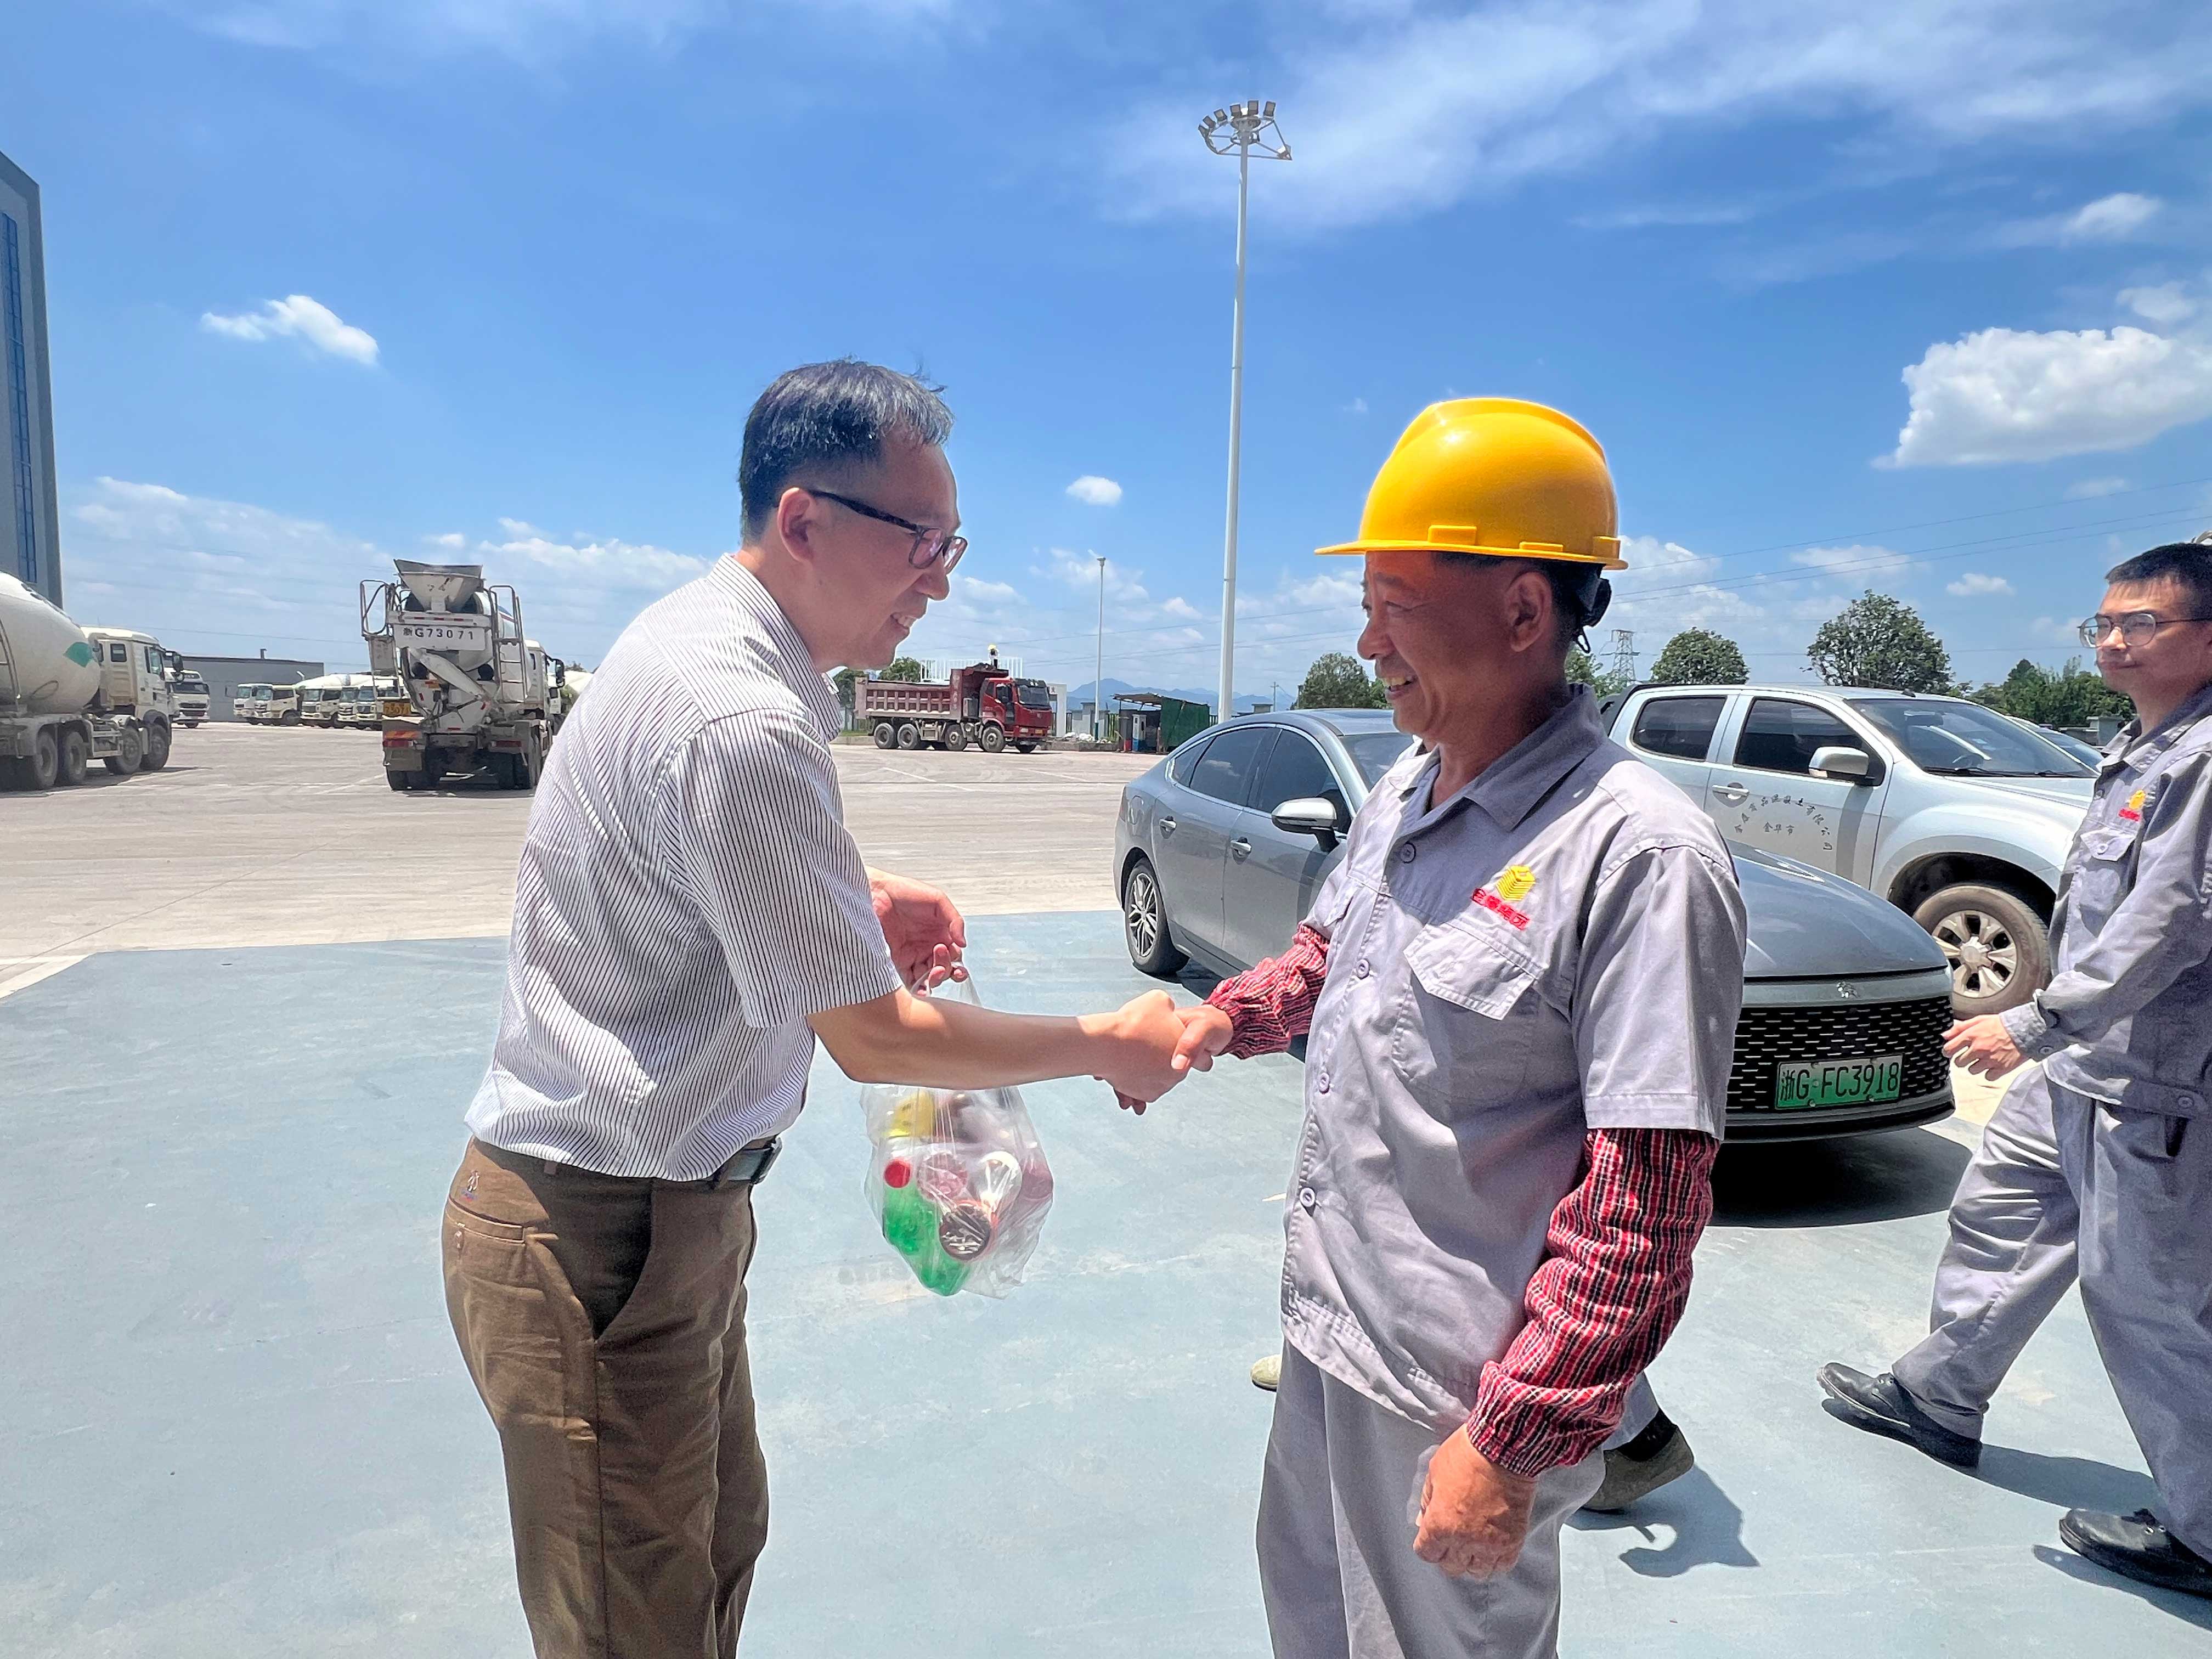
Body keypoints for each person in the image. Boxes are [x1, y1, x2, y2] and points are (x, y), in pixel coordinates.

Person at [442, 360, 1192, 1658]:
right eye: (922, 541)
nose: (940, 580)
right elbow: (875, 1038)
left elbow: (685, 863)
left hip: (661, 1220)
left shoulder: (710, 650)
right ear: (805, 520)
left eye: (952, 545)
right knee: (640, 1624)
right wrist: (1106, 1043)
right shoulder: (739, 712)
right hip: (600, 1235)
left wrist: (857, 895)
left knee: (709, 1556)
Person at [1173, 398, 1747, 1658]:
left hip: (1457, 1398)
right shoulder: (1412, 780)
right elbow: (1332, 957)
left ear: (1525, 611)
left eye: (1394, 604)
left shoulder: (1637, 853)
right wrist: (1224, 1020)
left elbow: (1646, 1199)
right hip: (1331, 1334)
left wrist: (1510, 1443)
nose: (1366, 640)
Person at [1820, 539, 2212, 1601]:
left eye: (2143, 623)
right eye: (2105, 623)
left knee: (2147, 1299)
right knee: (2001, 1212)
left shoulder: (2206, 761)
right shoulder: (2142, 746)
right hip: (2087, 1063)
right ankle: (1938, 1397)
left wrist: (2034, 1024)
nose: (2114, 641)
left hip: (2156, 1078)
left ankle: (2207, 1529)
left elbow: (2170, 926)